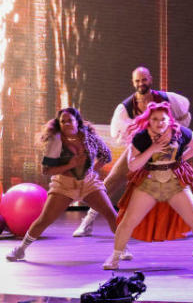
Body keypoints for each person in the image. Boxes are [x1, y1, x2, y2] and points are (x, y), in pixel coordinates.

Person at [74, 66, 191, 237]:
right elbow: (121, 132)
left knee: (182, 180)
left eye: (144, 80)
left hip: (165, 148)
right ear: (133, 82)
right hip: (142, 149)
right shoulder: (127, 107)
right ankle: (88, 221)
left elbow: (184, 116)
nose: (141, 83)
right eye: (137, 80)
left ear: (150, 79)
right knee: (113, 179)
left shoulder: (167, 99)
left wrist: (173, 134)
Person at [6, 109, 123, 262]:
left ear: (77, 122)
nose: (67, 123)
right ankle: (21, 249)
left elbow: (106, 155)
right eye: (63, 121)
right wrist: (70, 164)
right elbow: (46, 170)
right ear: (59, 124)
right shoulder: (55, 141)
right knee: (45, 219)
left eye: (70, 120)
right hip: (64, 185)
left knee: (111, 215)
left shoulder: (89, 137)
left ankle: (122, 248)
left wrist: (93, 169)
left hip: (88, 183)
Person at [104, 102, 193, 269]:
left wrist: (182, 158)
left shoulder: (179, 132)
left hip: (174, 182)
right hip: (150, 182)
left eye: (163, 119)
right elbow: (133, 165)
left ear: (169, 120)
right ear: (149, 120)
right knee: (127, 221)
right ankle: (115, 257)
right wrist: (152, 148)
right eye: (155, 119)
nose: (159, 122)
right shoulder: (142, 137)